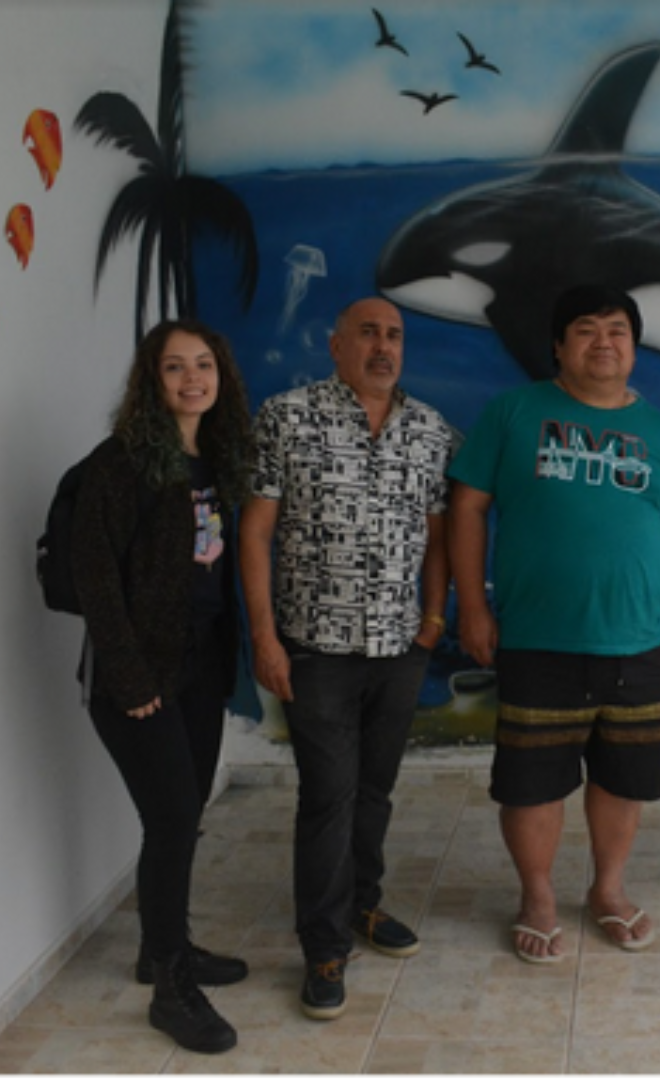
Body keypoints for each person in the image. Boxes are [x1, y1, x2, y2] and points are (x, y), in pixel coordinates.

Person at [448, 284, 660, 963]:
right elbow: (468, 508)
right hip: (537, 640)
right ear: (559, 347)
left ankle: (607, 889)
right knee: (531, 782)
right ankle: (537, 894)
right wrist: (473, 606)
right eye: (588, 330)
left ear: (635, 345)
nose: (605, 342)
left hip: (639, 643)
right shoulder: (514, 413)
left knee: (623, 780)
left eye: (619, 330)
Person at [239, 297, 451, 1020]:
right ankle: (323, 945)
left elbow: (438, 536)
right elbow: (255, 532)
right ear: (336, 345)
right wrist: (265, 638)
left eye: (393, 335)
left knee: (375, 790)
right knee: (327, 796)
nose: (382, 346)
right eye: (368, 333)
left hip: (399, 649)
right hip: (315, 650)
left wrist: (430, 622)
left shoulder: (429, 430)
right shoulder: (286, 416)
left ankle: (363, 905)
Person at [70, 319, 254, 1055]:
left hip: (200, 668)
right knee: (175, 818)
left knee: (180, 817)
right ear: (151, 381)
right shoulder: (119, 465)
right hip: (137, 676)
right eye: (174, 367)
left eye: (203, 364)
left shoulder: (212, 459)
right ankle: (173, 988)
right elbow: (94, 578)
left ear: (220, 376)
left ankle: (161, 947)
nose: (191, 379)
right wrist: (127, 675)